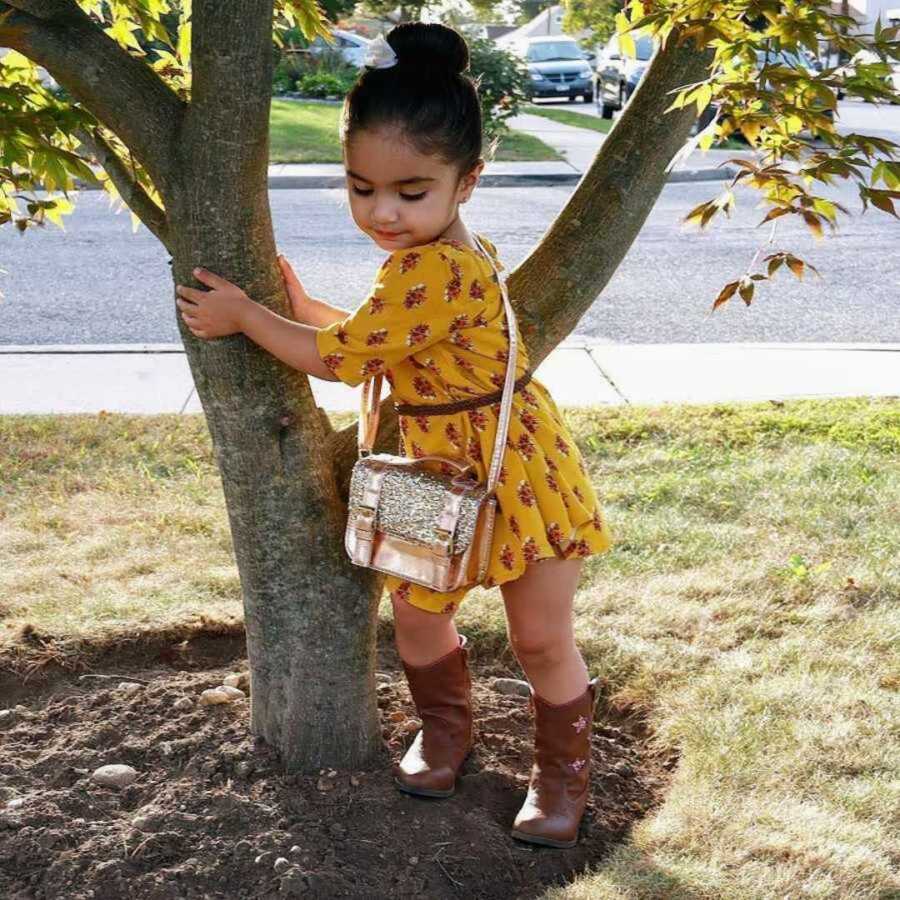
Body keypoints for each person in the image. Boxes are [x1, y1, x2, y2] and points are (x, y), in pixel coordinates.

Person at [174, 21, 615, 849]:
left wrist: (248, 316)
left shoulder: (439, 268)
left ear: (468, 180)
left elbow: (341, 363)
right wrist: (298, 308)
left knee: (541, 636)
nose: (382, 212)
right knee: (417, 616)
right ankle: (446, 731)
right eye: (360, 187)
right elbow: (385, 343)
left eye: (411, 192)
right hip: (427, 467)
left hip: (508, 467)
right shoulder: (427, 257)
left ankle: (562, 777)